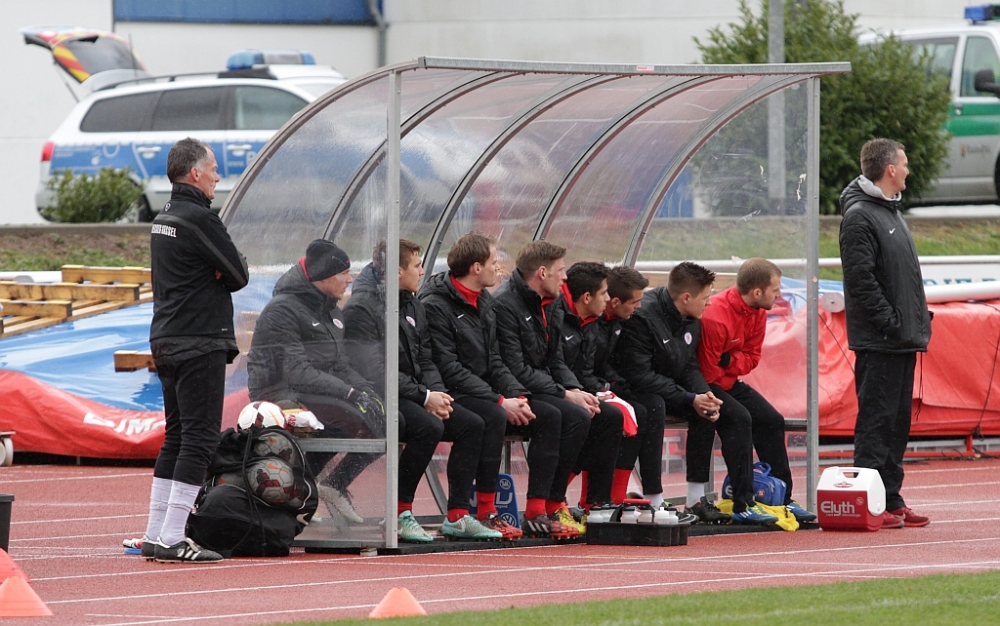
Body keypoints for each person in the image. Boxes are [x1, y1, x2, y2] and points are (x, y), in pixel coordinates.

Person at [342, 239, 503, 542]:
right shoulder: (363, 308)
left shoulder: (412, 303)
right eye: (416, 265)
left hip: (412, 391)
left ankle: (458, 516)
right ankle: (400, 513)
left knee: (472, 424)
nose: (422, 271)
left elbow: (425, 358)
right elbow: (375, 374)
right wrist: (425, 397)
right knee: (427, 426)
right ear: (397, 271)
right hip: (379, 394)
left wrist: (438, 394)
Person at [419, 232, 573, 539]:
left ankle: (539, 510)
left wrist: (517, 396)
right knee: (487, 418)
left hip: (482, 391)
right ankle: (465, 514)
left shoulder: (485, 302)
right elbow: (449, 367)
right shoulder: (436, 304)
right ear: (476, 268)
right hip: (450, 391)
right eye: (493, 261)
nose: (498, 268)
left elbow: (495, 361)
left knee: (553, 416)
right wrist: (500, 401)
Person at [141, 137, 249, 563]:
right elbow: (238, 273)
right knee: (199, 439)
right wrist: (220, 269)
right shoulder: (201, 218)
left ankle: (155, 534)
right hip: (198, 339)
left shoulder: (163, 217)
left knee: (177, 436)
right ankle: (172, 536)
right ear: (195, 172)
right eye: (214, 168)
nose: (218, 177)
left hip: (166, 337)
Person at [616, 262, 777, 525]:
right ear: (686, 298)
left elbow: (690, 364)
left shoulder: (692, 317)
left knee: (714, 409)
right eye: (705, 297)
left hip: (671, 387)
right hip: (639, 390)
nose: (709, 303)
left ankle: (698, 500)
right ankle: (654, 499)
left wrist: (703, 393)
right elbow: (640, 375)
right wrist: (690, 397)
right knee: (655, 406)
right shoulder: (643, 317)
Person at [247, 239, 386, 528]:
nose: (350, 279)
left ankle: (320, 487)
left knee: (384, 419)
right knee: (349, 419)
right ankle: (296, 492)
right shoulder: (282, 310)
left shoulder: (332, 310)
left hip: (313, 391)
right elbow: (296, 372)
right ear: (323, 278)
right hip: (278, 393)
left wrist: (365, 389)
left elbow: (340, 365)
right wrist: (348, 393)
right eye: (344, 273)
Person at [839, 138, 932, 529]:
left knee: (896, 424)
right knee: (877, 423)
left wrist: (913, 321)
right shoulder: (860, 216)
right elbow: (861, 281)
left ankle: (891, 498)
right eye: (904, 163)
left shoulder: (889, 211)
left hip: (901, 339)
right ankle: (869, 502)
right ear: (890, 169)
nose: (908, 170)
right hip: (881, 341)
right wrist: (892, 322)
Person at [697, 258, 817, 524]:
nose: (780, 295)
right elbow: (708, 372)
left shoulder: (759, 312)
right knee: (740, 419)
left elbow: (752, 359)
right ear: (757, 292)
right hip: (707, 386)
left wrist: (729, 360)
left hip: (728, 380)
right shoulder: (716, 317)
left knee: (772, 419)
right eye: (776, 289)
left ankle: (783, 499)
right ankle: (744, 503)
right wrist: (731, 362)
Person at [492, 241, 594, 535]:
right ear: (542, 273)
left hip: (539, 386)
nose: (565, 277)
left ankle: (559, 502)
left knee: (588, 414)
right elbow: (515, 368)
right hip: (514, 389)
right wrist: (564, 393)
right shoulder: (505, 305)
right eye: (560, 270)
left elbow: (555, 359)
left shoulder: (553, 302)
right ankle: (536, 510)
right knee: (555, 416)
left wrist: (575, 389)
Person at [556, 262, 625, 511]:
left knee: (614, 414)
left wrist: (603, 392)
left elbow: (585, 371)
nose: (607, 299)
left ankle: (597, 503)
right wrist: (572, 393)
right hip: (549, 390)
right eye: (604, 293)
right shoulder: (556, 315)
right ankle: (551, 499)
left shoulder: (591, 321)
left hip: (571, 388)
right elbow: (551, 364)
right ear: (587, 297)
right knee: (583, 417)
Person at [598, 266, 670, 507]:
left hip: (604, 384)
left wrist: (616, 383)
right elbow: (583, 363)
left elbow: (605, 361)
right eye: (635, 302)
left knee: (651, 405)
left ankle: (643, 494)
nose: (639, 306)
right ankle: (589, 501)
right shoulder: (591, 319)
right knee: (624, 414)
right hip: (583, 387)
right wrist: (606, 385)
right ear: (615, 302)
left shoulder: (621, 321)